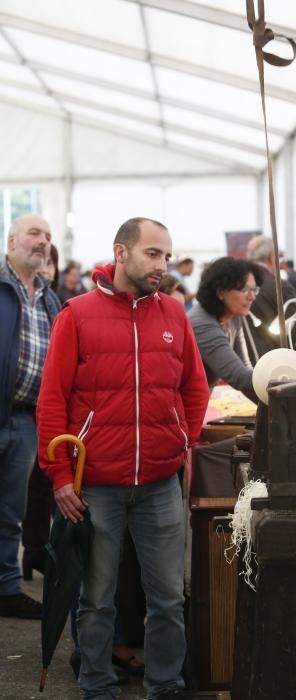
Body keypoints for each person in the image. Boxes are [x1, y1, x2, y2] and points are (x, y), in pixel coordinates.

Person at [37, 217, 210, 700]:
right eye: (153, 253)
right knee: (96, 599)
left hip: (159, 482)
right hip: (96, 485)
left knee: (170, 599)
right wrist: (59, 476)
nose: (162, 264)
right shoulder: (76, 314)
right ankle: (96, 684)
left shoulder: (175, 315)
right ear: (121, 252)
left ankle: (166, 685)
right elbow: (52, 399)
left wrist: (184, 440)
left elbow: (194, 386)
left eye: (167, 256)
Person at [0, 214, 60, 619]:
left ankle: (6, 589)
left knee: (10, 512)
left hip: (25, 421)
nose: (42, 242)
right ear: (12, 239)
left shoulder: (49, 298)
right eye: (35, 234)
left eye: (48, 237)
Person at [21, 243, 60, 580]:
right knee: (30, 491)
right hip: (23, 411)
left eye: (52, 263)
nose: (46, 269)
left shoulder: (53, 301)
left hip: (41, 411)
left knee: (40, 488)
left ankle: (34, 551)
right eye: (43, 263)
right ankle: (30, 553)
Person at [188, 256, 262, 403]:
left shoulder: (233, 317)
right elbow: (239, 377)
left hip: (198, 402)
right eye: (244, 289)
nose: (251, 296)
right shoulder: (201, 323)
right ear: (220, 292)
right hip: (181, 408)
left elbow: (244, 367)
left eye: (254, 289)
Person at [245, 235, 296, 360]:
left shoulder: (237, 286)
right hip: (277, 363)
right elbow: (295, 329)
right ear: (271, 258)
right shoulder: (280, 286)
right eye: (279, 257)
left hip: (245, 361)